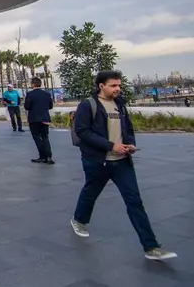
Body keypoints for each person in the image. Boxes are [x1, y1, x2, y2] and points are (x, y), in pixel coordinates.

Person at [71, 70, 176, 261]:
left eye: (119, 85)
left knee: (134, 201)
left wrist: (130, 143)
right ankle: (78, 220)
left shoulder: (120, 105)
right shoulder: (89, 105)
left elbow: (127, 128)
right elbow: (82, 131)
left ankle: (150, 247)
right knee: (90, 192)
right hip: (98, 161)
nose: (117, 89)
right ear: (101, 86)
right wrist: (111, 146)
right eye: (113, 85)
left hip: (122, 162)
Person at [25, 77, 54, 163]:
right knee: (45, 137)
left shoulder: (30, 94)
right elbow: (50, 106)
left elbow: (27, 107)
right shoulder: (47, 94)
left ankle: (42, 156)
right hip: (45, 118)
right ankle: (49, 156)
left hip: (34, 119)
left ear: (33, 84)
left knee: (37, 137)